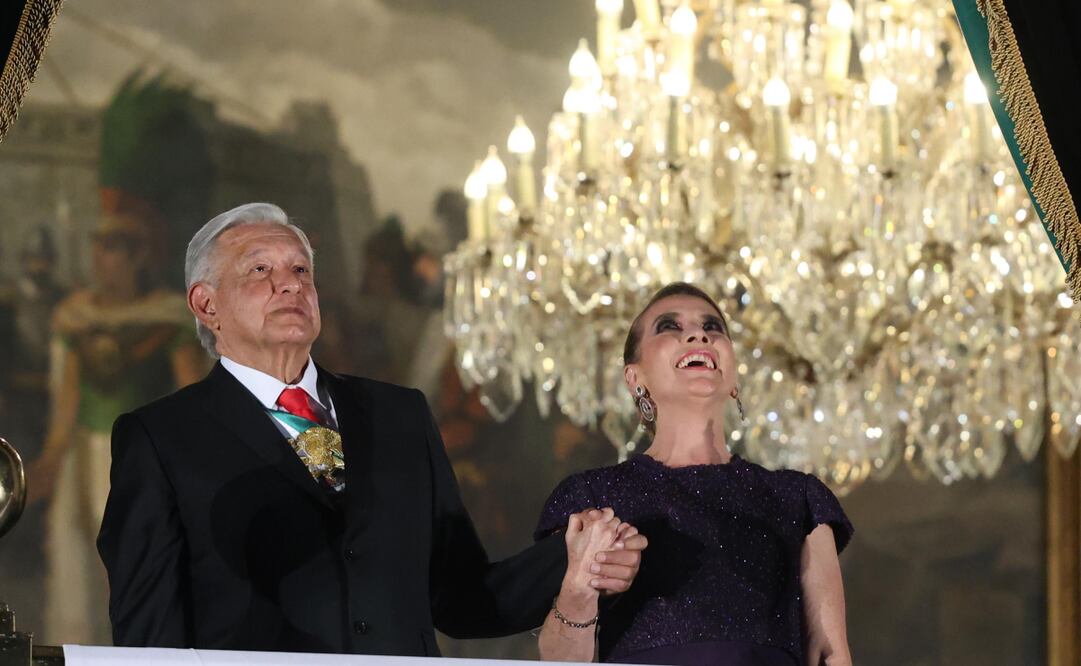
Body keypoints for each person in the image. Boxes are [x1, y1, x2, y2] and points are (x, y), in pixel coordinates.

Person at [97, 202, 647, 655]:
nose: (288, 285)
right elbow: (147, 640)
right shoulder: (160, 439)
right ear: (206, 303)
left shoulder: (399, 415)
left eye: (300, 271)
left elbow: (462, 596)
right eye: (259, 270)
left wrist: (574, 560)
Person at [535, 282, 853, 665]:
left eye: (713, 327)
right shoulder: (590, 497)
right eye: (669, 326)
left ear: (734, 378)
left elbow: (832, 654)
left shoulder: (800, 499)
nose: (698, 333)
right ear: (635, 379)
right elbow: (557, 661)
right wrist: (581, 588)